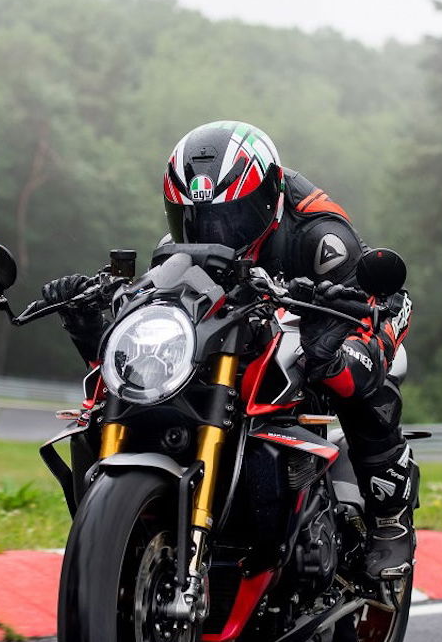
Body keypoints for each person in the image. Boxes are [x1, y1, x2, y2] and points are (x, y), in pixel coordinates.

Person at [41, 120, 417, 580]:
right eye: (195, 218)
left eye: (231, 217)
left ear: (266, 200)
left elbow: (363, 313)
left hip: (355, 302)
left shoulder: (324, 240)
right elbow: (157, 339)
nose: (213, 230)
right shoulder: (176, 250)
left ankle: (389, 520)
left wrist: (328, 342)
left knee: (346, 377)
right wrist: (93, 328)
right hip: (254, 318)